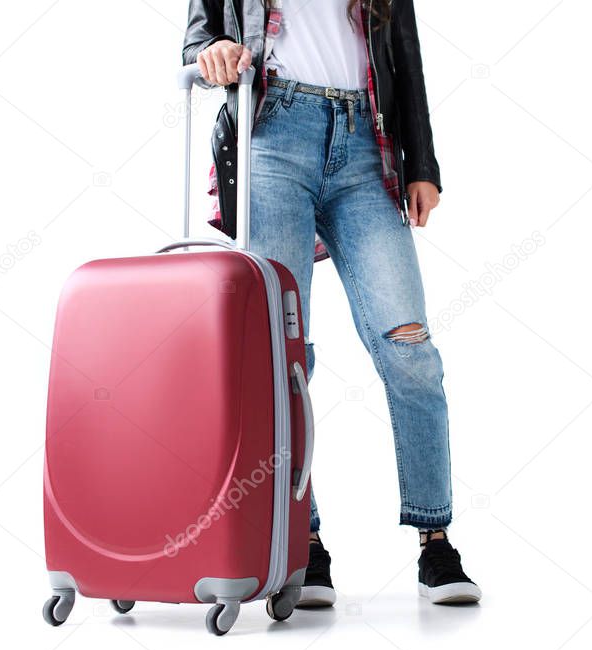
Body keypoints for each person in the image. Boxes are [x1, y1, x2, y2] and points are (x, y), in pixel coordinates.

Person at [183, 0, 481, 605]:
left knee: (409, 350)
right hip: (272, 138)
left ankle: (435, 537)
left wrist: (422, 164)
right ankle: (301, 544)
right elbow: (197, 38)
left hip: (366, 146)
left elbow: (406, 57)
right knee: (282, 358)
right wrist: (209, 52)